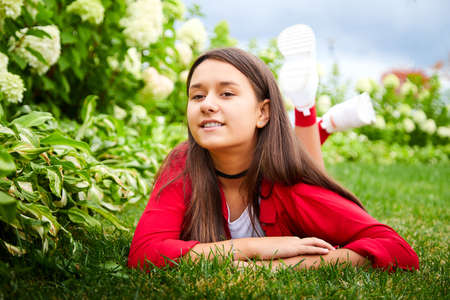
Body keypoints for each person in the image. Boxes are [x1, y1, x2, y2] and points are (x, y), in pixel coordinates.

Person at [128, 46, 419, 272]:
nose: (208, 105)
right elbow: (144, 253)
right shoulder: (183, 162)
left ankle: (311, 117)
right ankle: (312, 120)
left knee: (305, 164)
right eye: (197, 96)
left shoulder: (291, 186)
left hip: (283, 165)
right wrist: (256, 247)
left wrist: (285, 266)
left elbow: (396, 249)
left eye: (227, 93)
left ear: (262, 113)